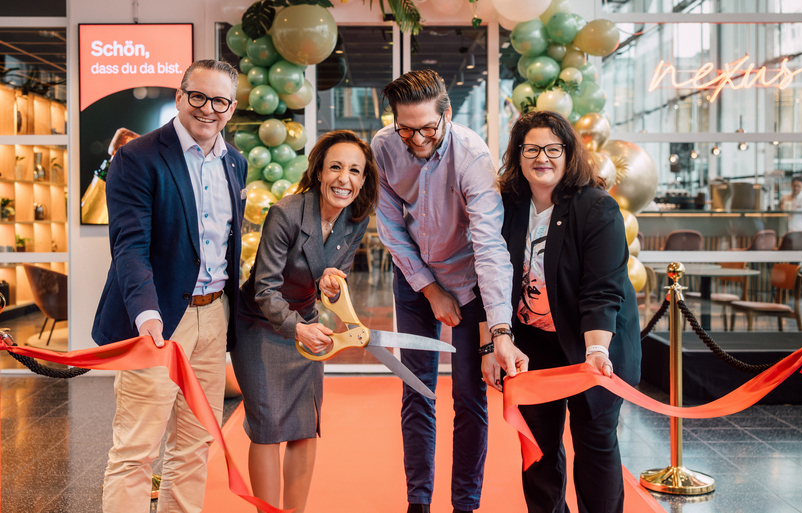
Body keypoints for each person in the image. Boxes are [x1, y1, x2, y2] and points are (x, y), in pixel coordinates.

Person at [91, 60, 246, 513]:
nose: (208, 109)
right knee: (136, 449)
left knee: (195, 443)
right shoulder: (137, 157)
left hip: (213, 316)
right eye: (198, 96)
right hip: (157, 321)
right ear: (180, 97)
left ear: (232, 107)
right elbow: (129, 246)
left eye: (220, 101)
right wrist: (146, 314)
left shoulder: (234, 162)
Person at [372, 69, 520, 513]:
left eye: (428, 128)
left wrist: (499, 328)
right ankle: (418, 503)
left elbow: (490, 245)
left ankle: (464, 506)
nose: (417, 139)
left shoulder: (472, 156)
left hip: (470, 281)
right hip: (414, 277)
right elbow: (391, 227)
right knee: (416, 390)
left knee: (469, 397)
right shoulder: (383, 146)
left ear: (447, 114)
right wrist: (430, 289)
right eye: (406, 129)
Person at [493, 110, 641, 513]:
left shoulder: (596, 208)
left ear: (569, 153)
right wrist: (492, 342)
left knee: (595, 442)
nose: (542, 157)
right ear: (518, 155)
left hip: (593, 341)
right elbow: (489, 274)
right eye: (531, 149)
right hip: (533, 342)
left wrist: (596, 351)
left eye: (553, 149)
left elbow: (601, 290)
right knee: (538, 448)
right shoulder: (507, 205)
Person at [231, 130, 378, 513]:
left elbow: (335, 282)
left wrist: (330, 286)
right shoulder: (286, 212)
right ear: (319, 172)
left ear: (363, 179)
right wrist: (297, 328)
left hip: (307, 319)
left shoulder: (355, 219)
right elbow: (264, 289)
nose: (344, 179)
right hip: (261, 323)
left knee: (304, 426)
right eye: (335, 167)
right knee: (267, 427)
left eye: (354, 171)